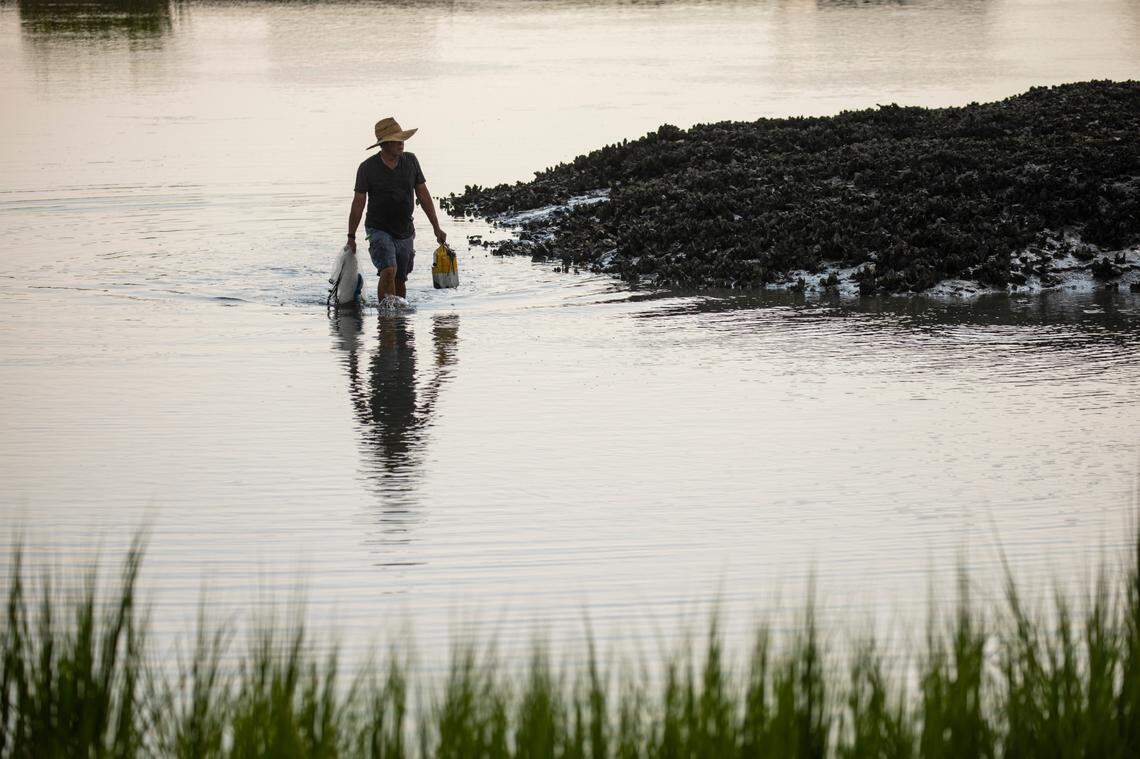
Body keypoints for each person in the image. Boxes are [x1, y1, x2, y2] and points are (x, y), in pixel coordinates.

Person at [347, 117, 447, 301]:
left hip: (405, 230)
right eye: (397, 140)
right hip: (378, 229)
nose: (402, 144)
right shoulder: (367, 168)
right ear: (384, 144)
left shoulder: (411, 161)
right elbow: (358, 203)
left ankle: (398, 321)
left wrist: (436, 227)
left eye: (402, 139)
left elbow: (423, 195)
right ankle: (386, 320)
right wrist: (351, 237)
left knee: (400, 277)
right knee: (388, 270)